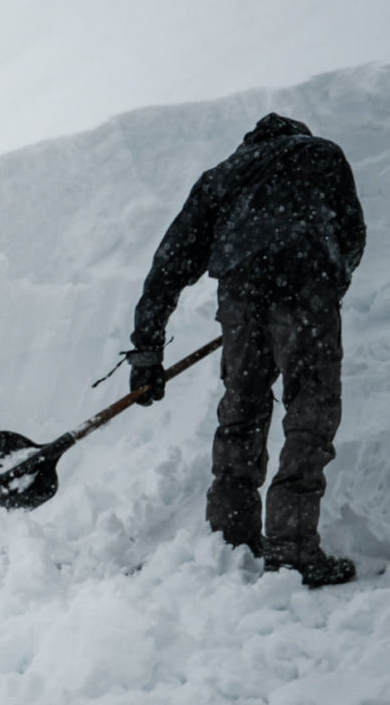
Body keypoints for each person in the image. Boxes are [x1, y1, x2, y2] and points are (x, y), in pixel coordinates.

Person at [128, 113, 365, 587]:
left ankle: (230, 539)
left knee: (242, 407)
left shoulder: (222, 176)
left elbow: (170, 261)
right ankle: (292, 550)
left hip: (241, 293)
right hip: (305, 283)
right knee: (310, 409)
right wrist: (323, 292)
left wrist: (146, 350)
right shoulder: (323, 154)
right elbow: (352, 235)